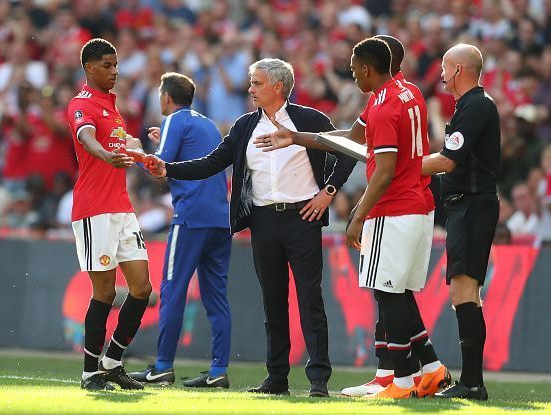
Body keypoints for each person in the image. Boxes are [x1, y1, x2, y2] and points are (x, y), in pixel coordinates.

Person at [146, 58, 357, 397]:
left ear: (278, 87)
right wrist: (168, 169)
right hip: (262, 220)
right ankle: (277, 379)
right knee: (273, 303)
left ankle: (319, 380)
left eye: (256, 83)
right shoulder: (245, 125)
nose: (250, 89)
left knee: (309, 299)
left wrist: (327, 193)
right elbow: (214, 162)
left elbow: (347, 151)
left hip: (304, 218)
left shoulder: (309, 119)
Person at [253, 38, 449, 400]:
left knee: (389, 294)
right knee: (397, 293)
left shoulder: (383, 107)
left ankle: (402, 382)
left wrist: (358, 214)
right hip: (419, 205)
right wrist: (295, 137)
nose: (352, 75)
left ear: (368, 69)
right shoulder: (407, 94)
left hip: (393, 207)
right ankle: (429, 369)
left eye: (355, 69)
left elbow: (384, 169)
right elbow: (351, 140)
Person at [128, 72, 232, 388]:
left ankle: (162, 367)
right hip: (220, 218)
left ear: (166, 97)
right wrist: (165, 145)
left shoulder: (175, 120)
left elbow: (158, 171)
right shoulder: (208, 124)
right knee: (217, 298)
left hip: (190, 217)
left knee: (173, 290)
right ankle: (218, 372)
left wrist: (135, 150)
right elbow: (192, 159)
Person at [66, 38, 151, 391]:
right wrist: (104, 155)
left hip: (122, 209)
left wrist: (144, 155)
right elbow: (87, 138)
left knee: (142, 288)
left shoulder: (113, 108)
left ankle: (113, 361)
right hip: (94, 211)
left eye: (116, 65)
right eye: (107, 65)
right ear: (89, 67)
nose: (114, 71)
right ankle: (90, 374)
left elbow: (126, 142)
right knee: (103, 292)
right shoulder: (80, 103)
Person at [422, 43, 501, 401]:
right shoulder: (468, 107)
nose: (440, 73)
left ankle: (472, 383)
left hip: (471, 204)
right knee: (465, 292)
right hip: (464, 206)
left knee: (464, 289)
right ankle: (471, 381)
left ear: (457, 70)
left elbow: (449, 160)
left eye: (444, 66)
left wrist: (398, 167)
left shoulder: (476, 106)